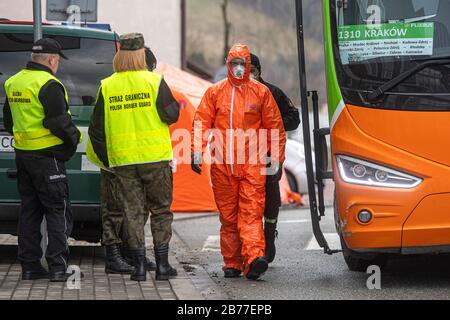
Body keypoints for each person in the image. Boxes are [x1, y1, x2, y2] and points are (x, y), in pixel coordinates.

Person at [87, 33, 180, 282]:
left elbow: (96, 130)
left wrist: (110, 160)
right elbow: (172, 115)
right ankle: (162, 266)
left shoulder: (107, 85)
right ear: (141, 55)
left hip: (123, 163)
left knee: (132, 213)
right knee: (160, 211)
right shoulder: (154, 81)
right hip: (155, 159)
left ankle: (138, 268)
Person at [191, 43, 286, 280]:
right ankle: (232, 262)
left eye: (242, 64)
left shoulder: (261, 93)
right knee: (229, 217)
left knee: (251, 212)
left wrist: (275, 160)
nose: (238, 68)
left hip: (252, 165)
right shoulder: (215, 93)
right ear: (228, 64)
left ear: (249, 65)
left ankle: (254, 258)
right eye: (234, 64)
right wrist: (196, 151)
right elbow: (201, 122)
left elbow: (274, 126)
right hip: (223, 165)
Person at [3, 38, 82, 281]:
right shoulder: (48, 83)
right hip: (49, 158)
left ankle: (29, 266)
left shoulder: (13, 82)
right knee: (58, 211)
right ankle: (58, 267)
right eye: (57, 60)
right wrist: (73, 140)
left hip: (24, 156)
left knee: (30, 211)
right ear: (51, 60)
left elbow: (8, 121)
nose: (57, 65)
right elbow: (59, 121)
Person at [100, 46, 159, 275]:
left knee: (133, 209)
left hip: (131, 157)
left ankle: (131, 254)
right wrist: (109, 159)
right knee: (115, 209)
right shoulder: (115, 84)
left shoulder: (138, 84)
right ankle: (114, 256)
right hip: (116, 158)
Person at [250, 53, 300, 264]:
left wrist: (272, 124)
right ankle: (253, 245)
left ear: (259, 71)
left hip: (270, 156)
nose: (247, 73)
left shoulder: (273, 92)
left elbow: (293, 119)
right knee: (247, 203)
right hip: (244, 159)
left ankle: (269, 237)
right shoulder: (230, 94)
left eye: (251, 69)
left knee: (271, 199)